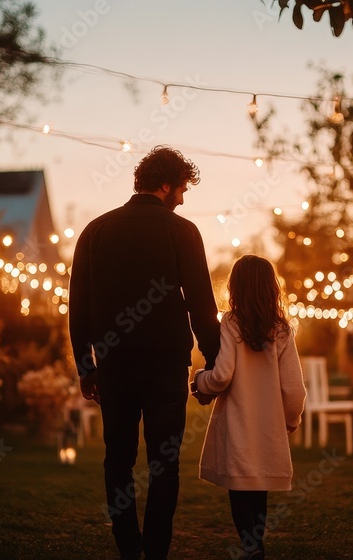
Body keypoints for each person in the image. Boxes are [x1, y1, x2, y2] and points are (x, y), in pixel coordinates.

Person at [68, 145, 221, 560]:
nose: (184, 199)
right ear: (167, 185)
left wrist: (87, 368)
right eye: (184, 189)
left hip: (113, 366)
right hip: (165, 366)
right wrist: (214, 358)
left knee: (117, 459)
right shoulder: (182, 231)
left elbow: (78, 307)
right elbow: (202, 304)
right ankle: (155, 551)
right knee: (164, 464)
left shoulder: (95, 231)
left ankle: (128, 549)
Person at [191, 254, 306, 560]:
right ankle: (255, 544)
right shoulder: (282, 329)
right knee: (258, 487)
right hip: (269, 426)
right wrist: (291, 418)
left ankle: (249, 545)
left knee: (240, 486)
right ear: (272, 288)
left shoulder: (230, 322)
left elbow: (223, 373)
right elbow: (294, 387)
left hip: (237, 422)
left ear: (235, 287)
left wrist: (200, 381)